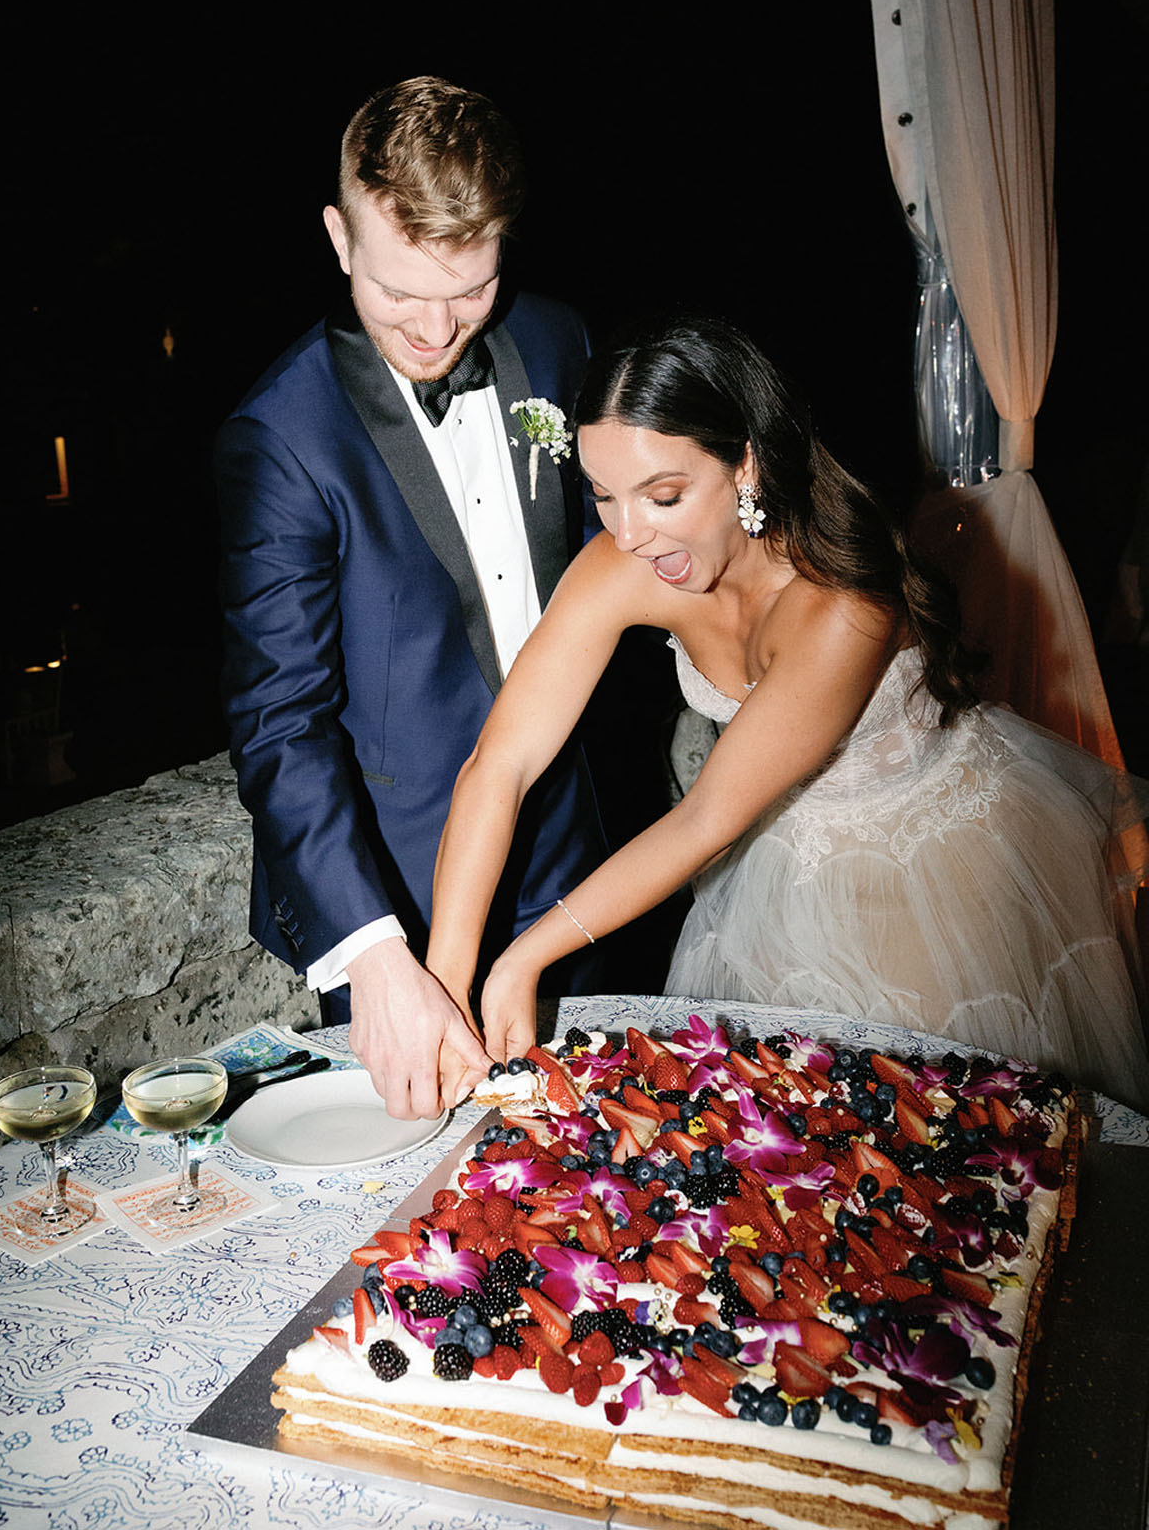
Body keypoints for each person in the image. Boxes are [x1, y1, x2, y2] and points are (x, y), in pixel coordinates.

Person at [427, 318, 1149, 1111]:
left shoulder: (841, 606)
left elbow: (707, 818)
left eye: (663, 495)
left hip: (932, 868)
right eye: (603, 495)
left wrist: (525, 956)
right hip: (789, 861)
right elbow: (498, 765)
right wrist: (446, 976)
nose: (628, 533)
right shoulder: (628, 559)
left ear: (746, 465)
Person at [215, 77, 607, 1119]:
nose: (437, 328)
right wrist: (378, 955)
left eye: (469, 288)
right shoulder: (283, 437)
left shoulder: (559, 344)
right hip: (397, 893)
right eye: (400, 291)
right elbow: (279, 722)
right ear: (340, 239)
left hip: (567, 856)